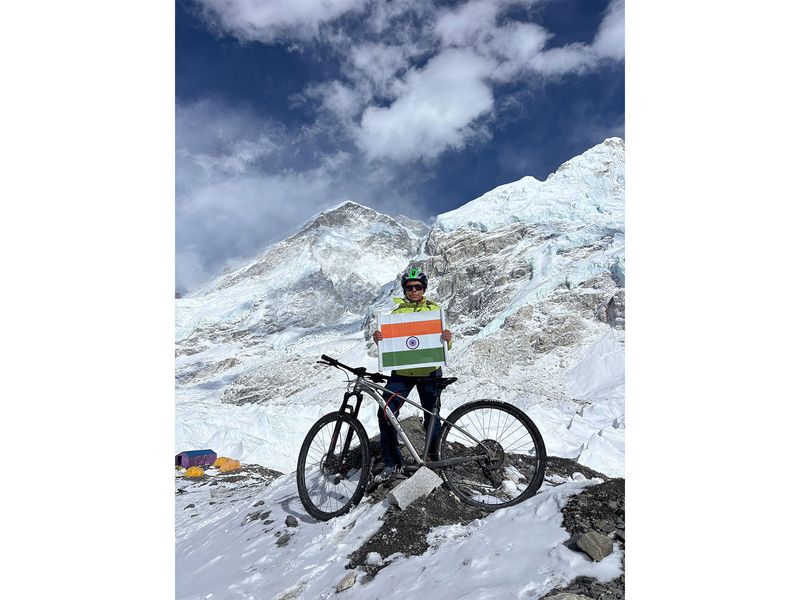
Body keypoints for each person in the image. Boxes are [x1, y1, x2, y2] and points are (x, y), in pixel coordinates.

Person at [371, 268, 453, 481]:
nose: (414, 290)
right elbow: (391, 344)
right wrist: (380, 339)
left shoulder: (435, 310)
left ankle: (434, 458)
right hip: (402, 373)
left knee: (432, 418)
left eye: (418, 287)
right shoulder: (396, 315)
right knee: (386, 412)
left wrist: (447, 339)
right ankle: (392, 463)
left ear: (424, 289)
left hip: (430, 372)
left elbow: (444, 346)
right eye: (410, 287)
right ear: (405, 290)